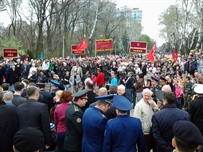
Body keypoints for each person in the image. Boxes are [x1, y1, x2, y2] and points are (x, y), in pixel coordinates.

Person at [16, 86, 52, 151]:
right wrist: (48, 141)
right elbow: (45, 125)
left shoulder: (19, 107)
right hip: (37, 139)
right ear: (37, 94)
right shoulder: (42, 106)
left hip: (22, 139)